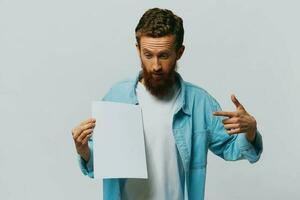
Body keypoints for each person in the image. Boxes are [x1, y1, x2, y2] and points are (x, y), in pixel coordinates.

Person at [72, 7, 263, 200]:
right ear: (137, 50)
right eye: (148, 55)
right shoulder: (117, 97)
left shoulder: (200, 103)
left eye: (163, 55)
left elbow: (233, 149)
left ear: (179, 52)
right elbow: (100, 166)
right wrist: (84, 150)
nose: (155, 66)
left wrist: (250, 131)